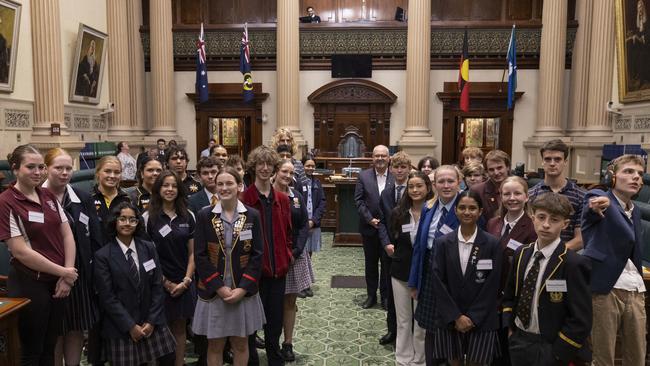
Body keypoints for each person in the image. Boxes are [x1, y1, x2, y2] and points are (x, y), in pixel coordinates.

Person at [0, 145, 78, 365]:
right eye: (30, 167)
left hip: (59, 283)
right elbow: (20, 251)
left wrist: (66, 276)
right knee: (32, 352)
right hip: (29, 283)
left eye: (40, 167)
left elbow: (67, 235)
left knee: (49, 346)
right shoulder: (6, 201)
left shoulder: (48, 195)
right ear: (15, 169)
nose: (37, 172)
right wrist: (64, 271)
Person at [503, 193, 592, 365]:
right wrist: (510, 328)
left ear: (565, 224)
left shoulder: (573, 263)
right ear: (532, 217)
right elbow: (510, 294)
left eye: (554, 220)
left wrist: (559, 353)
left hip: (551, 346)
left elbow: (581, 318)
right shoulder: (521, 253)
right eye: (541, 217)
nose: (546, 225)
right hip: (519, 340)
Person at [192, 166, 265, 366]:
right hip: (215, 292)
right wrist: (219, 287)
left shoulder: (252, 215)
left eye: (229, 183)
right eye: (220, 184)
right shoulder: (205, 215)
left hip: (242, 291)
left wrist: (243, 288)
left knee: (241, 344)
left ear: (239, 185)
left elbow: (257, 255)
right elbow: (200, 256)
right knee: (215, 345)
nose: (224, 188)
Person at [581, 154, 646, 366]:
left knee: (637, 358)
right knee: (603, 358)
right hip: (606, 289)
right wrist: (603, 202)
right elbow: (594, 205)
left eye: (640, 174)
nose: (636, 177)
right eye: (628, 171)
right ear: (612, 177)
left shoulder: (635, 212)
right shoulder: (599, 197)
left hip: (635, 290)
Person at [93, 202, 176, 365]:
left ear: (138, 223)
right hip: (121, 327)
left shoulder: (148, 247)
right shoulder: (103, 256)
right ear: (114, 222)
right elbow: (107, 298)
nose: (127, 223)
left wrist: (151, 321)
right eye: (122, 219)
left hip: (151, 321)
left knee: (169, 359)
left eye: (132, 219)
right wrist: (131, 326)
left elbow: (157, 286)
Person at [44, 148, 102, 366]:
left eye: (69, 168)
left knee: (76, 327)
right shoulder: (36, 197)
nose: (64, 172)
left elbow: (95, 237)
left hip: (79, 275)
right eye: (58, 168)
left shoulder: (83, 197)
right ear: (46, 168)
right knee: (56, 330)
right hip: (49, 274)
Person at [430, 190, 502, 365]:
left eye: (472, 208)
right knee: (453, 361)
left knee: (477, 362)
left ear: (480, 211)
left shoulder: (493, 243)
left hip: (481, 318)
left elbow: (493, 284)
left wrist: (473, 317)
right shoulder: (442, 242)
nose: (467, 212)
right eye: (462, 207)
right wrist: (456, 316)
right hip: (450, 317)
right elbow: (438, 281)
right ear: (455, 210)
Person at [241, 146, 293, 366]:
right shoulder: (244, 199)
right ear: (253, 167)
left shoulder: (282, 199)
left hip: (278, 269)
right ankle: (252, 359)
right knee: (252, 321)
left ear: (273, 168)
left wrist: (288, 255)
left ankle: (274, 356)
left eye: (268, 164)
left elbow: (288, 232)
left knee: (275, 319)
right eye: (260, 164)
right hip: (253, 273)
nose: (264, 168)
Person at [409, 165, 462, 366]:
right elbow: (419, 249)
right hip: (429, 275)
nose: (446, 185)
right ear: (434, 184)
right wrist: (414, 281)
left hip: (454, 279)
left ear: (459, 182)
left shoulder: (466, 206)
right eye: (441, 181)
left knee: (451, 333)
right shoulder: (428, 207)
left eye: (451, 181)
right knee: (430, 330)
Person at [143, 171, 196, 366]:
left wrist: (186, 281)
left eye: (174, 185)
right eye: (165, 185)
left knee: (180, 328)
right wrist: (164, 282)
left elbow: (193, 253)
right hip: (157, 282)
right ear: (158, 188)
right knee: (156, 329)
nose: (170, 189)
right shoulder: (148, 217)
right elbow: (146, 256)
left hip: (184, 281)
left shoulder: (188, 216)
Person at [486, 176, 537, 366]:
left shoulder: (533, 226)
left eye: (517, 193)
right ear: (500, 196)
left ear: (526, 196)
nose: (512, 198)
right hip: (491, 295)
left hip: (517, 296)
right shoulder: (493, 223)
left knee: (511, 350)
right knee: (493, 349)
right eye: (507, 194)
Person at [384, 171, 433, 366]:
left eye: (419, 186)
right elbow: (394, 238)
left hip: (424, 274)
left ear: (428, 188)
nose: (415, 190)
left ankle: (419, 360)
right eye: (411, 186)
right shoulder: (399, 213)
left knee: (421, 323)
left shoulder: (433, 213)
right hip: (401, 272)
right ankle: (403, 358)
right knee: (403, 320)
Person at [273, 159, 313, 362]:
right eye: (284, 172)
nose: (287, 176)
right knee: (272, 302)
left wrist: (296, 251)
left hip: (294, 257)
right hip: (272, 258)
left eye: (291, 173)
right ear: (275, 172)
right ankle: (272, 342)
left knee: (290, 301)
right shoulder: (268, 195)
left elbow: (304, 225)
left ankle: (287, 343)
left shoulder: (295, 196)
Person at [378, 151, 412, 345]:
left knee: (408, 292)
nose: (399, 170)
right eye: (396, 167)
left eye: (403, 167)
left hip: (408, 249)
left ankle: (408, 332)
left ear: (408, 169)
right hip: (390, 248)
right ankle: (392, 330)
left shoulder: (415, 189)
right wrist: (386, 243)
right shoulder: (387, 192)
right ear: (391, 169)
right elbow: (381, 221)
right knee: (392, 292)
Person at [354, 145, 394, 309]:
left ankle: (385, 297)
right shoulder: (363, 176)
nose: (380, 159)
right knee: (371, 264)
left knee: (386, 264)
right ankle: (371, 296)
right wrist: (370, 219)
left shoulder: (395, 176)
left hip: (389, 230)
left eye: (383, 156)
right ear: (372, 158)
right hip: (369, 228)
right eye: (376, 156)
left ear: (388, 158)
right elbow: (359, 200)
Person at [528, 139, 585, 250]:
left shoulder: (581, 196)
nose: (552, 163)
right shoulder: (531, 194)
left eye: (557, 159)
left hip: (566, 257)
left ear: (565, 162)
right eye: (548, 159)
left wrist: (552, 254)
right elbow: (530, 232)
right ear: (542, 162)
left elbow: (580, 239)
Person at [299, 154, 325, 298]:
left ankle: (306, 284)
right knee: (301, 255)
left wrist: (313, 220)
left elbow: (322, 202)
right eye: (307, 165)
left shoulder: (317, 182)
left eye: (312, 166)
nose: (310, 168)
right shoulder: (298, 182)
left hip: (313, 224)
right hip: (301, 225)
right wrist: (304, 221)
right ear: (302, 167)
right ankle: (301, 285)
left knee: (309, 255)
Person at [89, 155, 132, 242]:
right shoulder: (88, 198)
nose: (112, 176)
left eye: (117, 172)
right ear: (98, 173)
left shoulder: (127, 199)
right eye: (107, 171)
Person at [470, 149, 511, 221]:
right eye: (491, 170)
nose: (496, 172)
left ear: (507, 167)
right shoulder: (477, 191)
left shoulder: (519, 187)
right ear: (486, 171)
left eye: (499, 168)